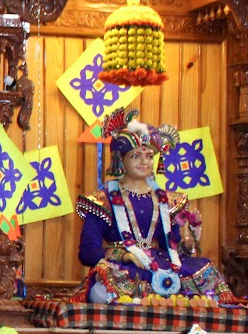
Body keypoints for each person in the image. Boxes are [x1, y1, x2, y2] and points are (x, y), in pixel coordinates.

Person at [74, 108, 231, 302]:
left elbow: (170, 247)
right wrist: (123, 256)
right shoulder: (102, 200)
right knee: (102, 289)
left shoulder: (167, 200)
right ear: (120, 160)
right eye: (135, 156)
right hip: (125, 268)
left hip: (163, 265)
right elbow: (87, 252)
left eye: (149, 156)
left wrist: (189, 244)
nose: (144, 162)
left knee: (206, 270)